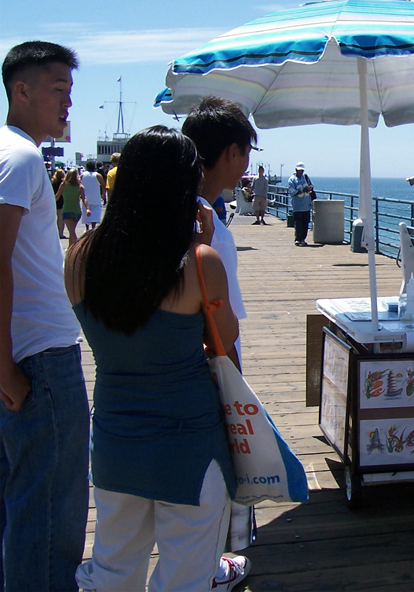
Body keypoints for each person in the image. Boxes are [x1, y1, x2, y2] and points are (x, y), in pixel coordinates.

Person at [68, 126, 248, 592]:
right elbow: (224, 341)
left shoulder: (80, 257)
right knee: (186, 577)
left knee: (112, 571)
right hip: (189, 444)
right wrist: (204, 244)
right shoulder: (199, 262)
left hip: (115, 440)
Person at [0, 40, 88, 592]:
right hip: (39, 360)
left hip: (20, 355)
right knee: (50, 512)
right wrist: (5, 367)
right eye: (57, 90)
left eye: (70, 92)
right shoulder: (24, 158)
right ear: (21, 89)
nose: (67, 104)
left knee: (17, 505)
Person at [182, 97, 258, 572]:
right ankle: (210, 569)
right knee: (213, 484)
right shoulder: (213, 231)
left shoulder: (169, 212)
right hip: (207, 374)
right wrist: (238, 396)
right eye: (246, 151)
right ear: (232, 152)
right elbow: (221, 325)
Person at [54, 167, 83, 246]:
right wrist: (87, 208)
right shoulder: (79, 186)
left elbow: (57, 196)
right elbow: (84, 198)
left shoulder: (64, 185)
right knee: (72, 231)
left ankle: (74, 248)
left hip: (67, 210)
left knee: (72, 231)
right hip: (77, 211)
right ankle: (71, 248)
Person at [287, 161, 314, 246]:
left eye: (302, 170)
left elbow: (311, 186)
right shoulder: (292, 179)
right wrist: (302, 191)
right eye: (299, 170)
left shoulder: (305, 177)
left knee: (305, 223)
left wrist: (310, 188)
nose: (301, 172)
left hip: (306, 205)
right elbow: (291, 191)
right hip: (297, 206)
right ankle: (298, 239)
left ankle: (303, 239)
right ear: (296, 170)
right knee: (298, 223)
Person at [80, 159, 104, 232]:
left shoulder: (82, 175)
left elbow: (78, 184)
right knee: (95, 213)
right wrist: (103, 194)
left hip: (85, 197)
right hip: (96, 197)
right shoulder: (98, 175)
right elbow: (103, 185)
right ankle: (93, 228)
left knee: (85, 213)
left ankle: (87, 228)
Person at [51, 165, 66, 237]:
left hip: (55, 199)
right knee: (61, 218)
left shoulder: (53, 183)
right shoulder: (64, 183)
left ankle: (56, 233)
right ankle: (61, 233)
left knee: (56, 217)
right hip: (62, 200)